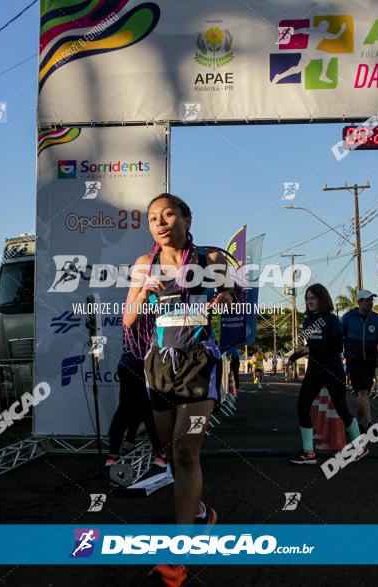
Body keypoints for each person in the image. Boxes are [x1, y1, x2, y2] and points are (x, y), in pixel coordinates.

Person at [122, 193, 234, 585]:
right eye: (153, 217)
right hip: (160, 366)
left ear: (186, 217)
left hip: (199, 364)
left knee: (187, 452)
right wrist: (141, 291)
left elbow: (231, 298)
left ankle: (178, 556)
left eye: (169, 213)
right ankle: (201, 513)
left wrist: (223, 296)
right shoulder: (143, 264)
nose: (161, 221)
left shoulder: (211, 260)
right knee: (170, 450)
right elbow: (128, 318)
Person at [287, 284, 363, 465]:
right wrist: (291, 359)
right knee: (302, 406)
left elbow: (337, 347)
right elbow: (307, 346)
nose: (309, 301)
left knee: (341, 408)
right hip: (315, 371)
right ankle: (308, 452)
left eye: (313, 298)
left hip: (333, 371)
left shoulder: (332, 320)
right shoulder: (307, 321)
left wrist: (310, 348)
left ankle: (360, 447)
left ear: (322, 299)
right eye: (307, 298)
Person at [105, 332, 167, 469]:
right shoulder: (153, 312)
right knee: (148, 409)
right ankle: (160, 453)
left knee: (126, 408)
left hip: (129, 362)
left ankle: (114, 454)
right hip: (144, 363)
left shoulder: (131, 311)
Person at [341, 289, 378, 433]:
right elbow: (339, 337)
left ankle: (357, 424)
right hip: (353, 360)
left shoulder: (377, 318)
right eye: (367, 300)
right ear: (359, 302)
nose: (370, 303)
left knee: (363, 394)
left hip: (370, 360)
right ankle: (369, 423)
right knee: (362, 391)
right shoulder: (348, 317)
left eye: (372, 300)